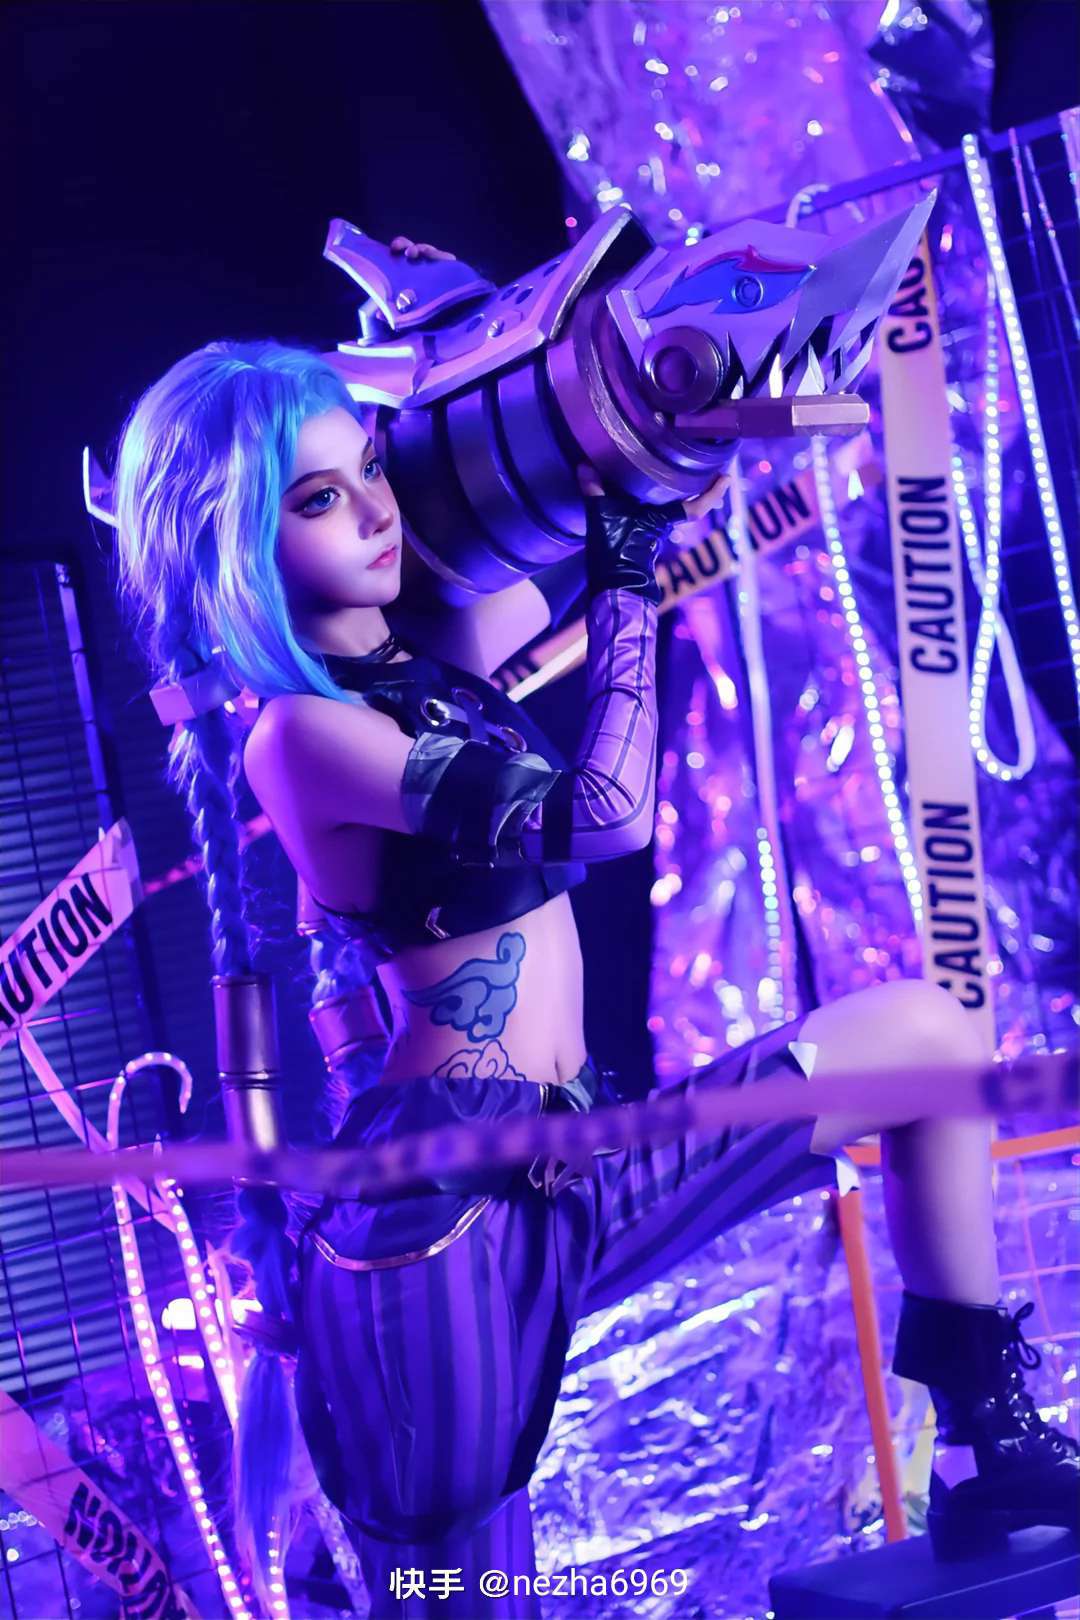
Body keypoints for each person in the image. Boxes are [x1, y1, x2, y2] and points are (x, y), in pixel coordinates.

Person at [112, 284, 1076, 1613]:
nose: (376, 510)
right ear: (236, 546)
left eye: (369, 470)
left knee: (928, 1038)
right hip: (440, 1223)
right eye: (318, 498)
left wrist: (512, 342)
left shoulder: (426, 658)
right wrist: (631, 573)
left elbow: (524, 512)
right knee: (462, 1594)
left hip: (573, 1158)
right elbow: (605, 814)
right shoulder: (300, 734)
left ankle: (988, 1445)